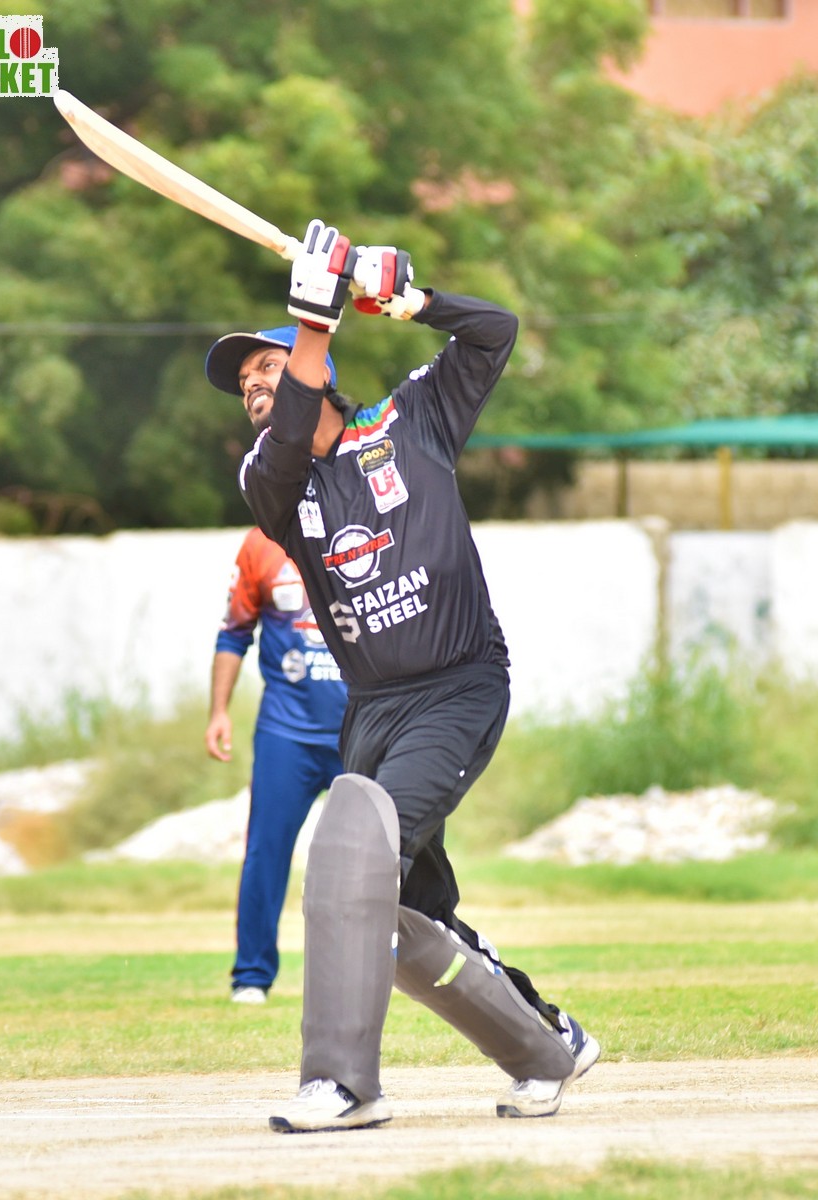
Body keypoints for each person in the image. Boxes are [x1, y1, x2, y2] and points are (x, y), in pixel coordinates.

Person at [204, 219, 599, 1132]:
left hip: (458, 687)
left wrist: (409, 301)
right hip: (373, 709)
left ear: (320, 372)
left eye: (266, 368)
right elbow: (291, 430)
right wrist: (313, 320)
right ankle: (547, 1044)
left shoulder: (409, 421)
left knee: (353, 858)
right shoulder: (270, 480)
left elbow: (494, 331)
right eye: (245, 383)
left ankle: (344, 1085)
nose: (254, 387)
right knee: (412, 911)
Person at [205, 521, 346, 1004]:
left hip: (362, 729)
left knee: (386, 855)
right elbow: (234, 633)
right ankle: (251, 976)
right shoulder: (260, 542)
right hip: (286, 733)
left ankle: (394, 968)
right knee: (265, 852)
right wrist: (219, 711)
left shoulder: (363, 525)